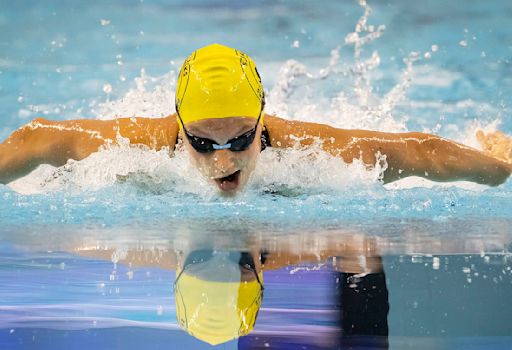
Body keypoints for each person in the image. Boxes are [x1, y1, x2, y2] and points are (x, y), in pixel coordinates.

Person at [0, 43, 511, 193]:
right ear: (178, 126)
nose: (223, 158)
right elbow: (37, 138)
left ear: (262, 122)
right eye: (201, 143)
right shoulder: (137, 146)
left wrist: (501, 166)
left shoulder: (308, 151)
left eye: (242, 138)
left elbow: (416, 152)